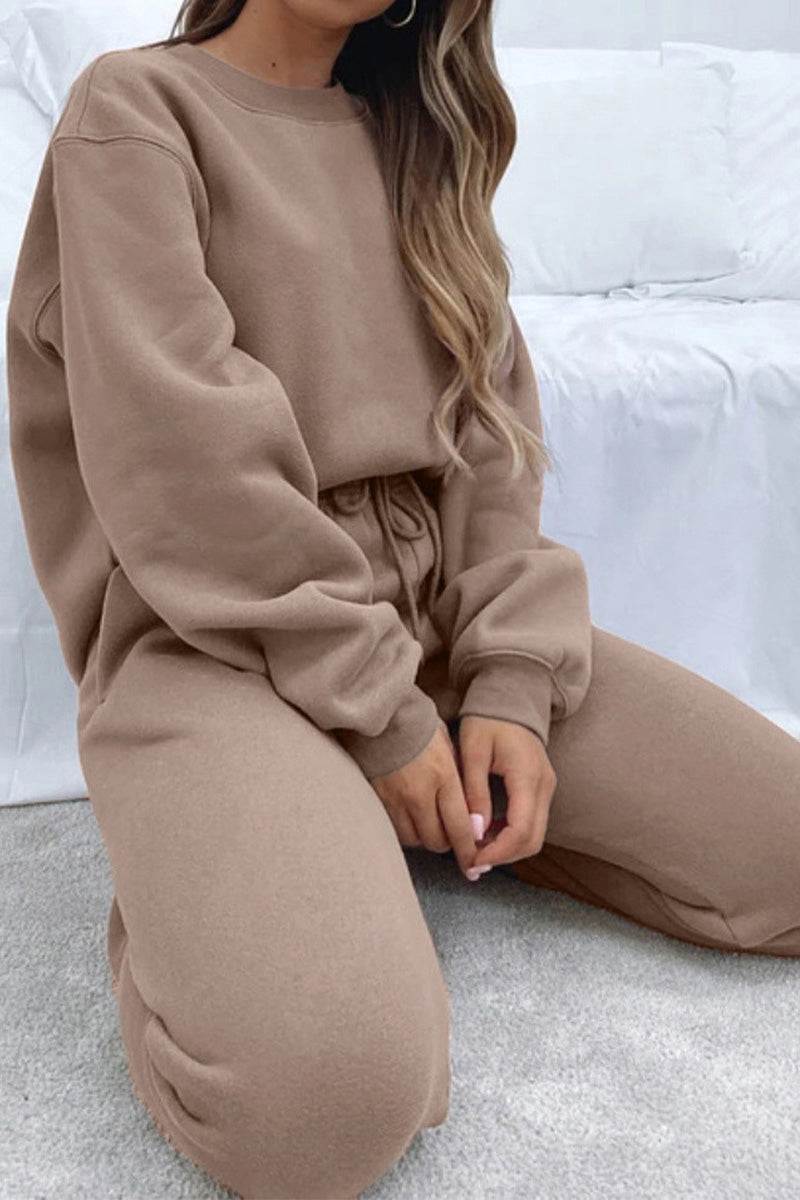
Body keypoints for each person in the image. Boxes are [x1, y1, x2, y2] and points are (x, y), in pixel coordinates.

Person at [6, 1, 800, 1197]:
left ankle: (377, 834)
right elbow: (186, 468)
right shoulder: (134, 112)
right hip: (212, 643)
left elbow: (489, 441)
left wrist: (511, 687)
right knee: (325, 1109)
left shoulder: (414, 133)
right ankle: (192, 897)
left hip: (432, 624)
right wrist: (383, 718)